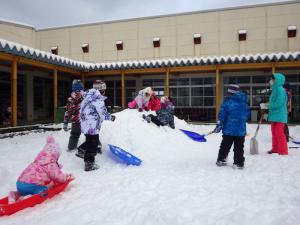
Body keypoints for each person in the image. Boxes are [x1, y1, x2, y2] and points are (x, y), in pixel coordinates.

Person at [9, 136, 73, 203]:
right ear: (55, 155)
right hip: (31, 185)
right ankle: (28, 197)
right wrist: (65, 178)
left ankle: (15, 194)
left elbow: (46, 170)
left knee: (24, 191)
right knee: (44, 191)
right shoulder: (50, 164)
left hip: (19, 184)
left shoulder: (38, 160)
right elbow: (57, 176)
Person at [79, 81, 116, 171]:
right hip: (92, 125)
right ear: (101, 90)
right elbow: (103, 114)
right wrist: (111, 117)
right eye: (104, 90)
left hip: (85, 124)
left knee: (90, 141)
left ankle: (81, 150)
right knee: (93, 144)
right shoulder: (98, 100)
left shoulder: (86, 97)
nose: (105, 92)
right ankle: (89, 164)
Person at [214, 84, 250, 169]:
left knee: (225, 146)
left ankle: (221, 159)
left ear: (230, 93)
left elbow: (221, 115)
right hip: (240, 131)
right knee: (239, 147)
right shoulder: (244, 103)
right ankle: (239, 163)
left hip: (228, 130)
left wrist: (219, 125)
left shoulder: (227, 103)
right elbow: (247, 115)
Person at [260, 73, 288, 155]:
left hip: (280, 115)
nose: (271, 81)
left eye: (272, 79)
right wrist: (266, 105)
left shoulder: (280, 90)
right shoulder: (275, 90)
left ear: (277, 80)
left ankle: (283, 151)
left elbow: (279, 103)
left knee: (279, 133)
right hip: (274, 115)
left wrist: (267, 105)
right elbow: (273, 102)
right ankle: (275, 148)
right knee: (274, 133)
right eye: (271, 79)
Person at [63, 80, 84, 151]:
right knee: (91, 135)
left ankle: (71, 148)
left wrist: (65, 122)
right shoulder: (85, 98)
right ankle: (96, 147)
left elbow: (68, 112)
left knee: (74, 135)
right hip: (85, 121)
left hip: (76, 121)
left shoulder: (70, 100)